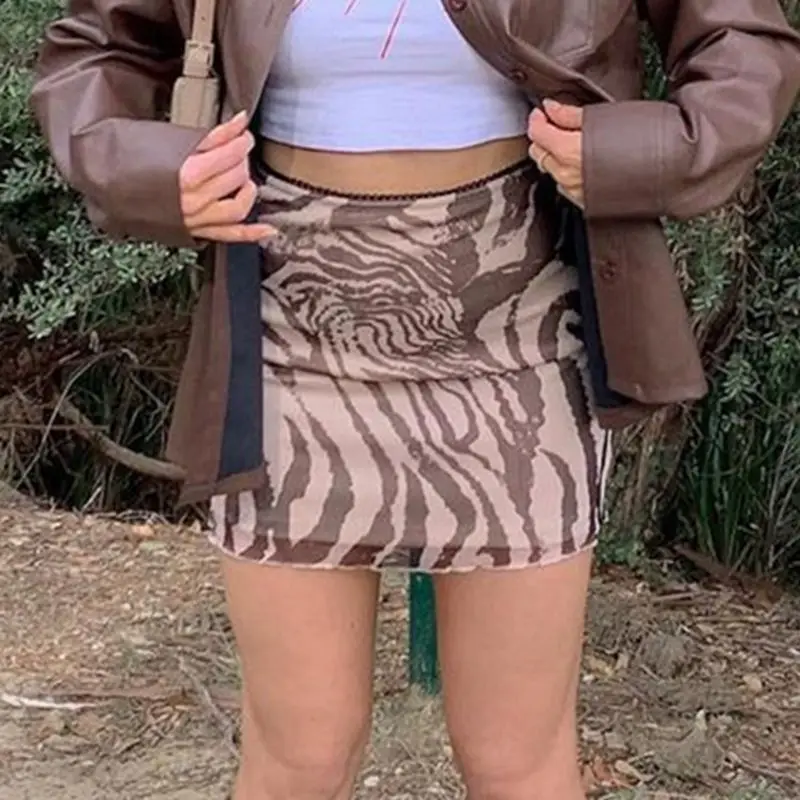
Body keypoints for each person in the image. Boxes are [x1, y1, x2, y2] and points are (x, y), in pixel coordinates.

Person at [31, 2, 800, 799]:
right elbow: (96, 49)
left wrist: (636, 152)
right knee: (301, 758)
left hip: (519, 342)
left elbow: (744, 45)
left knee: (516, 763)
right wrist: (153, 176)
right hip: (289, 340)